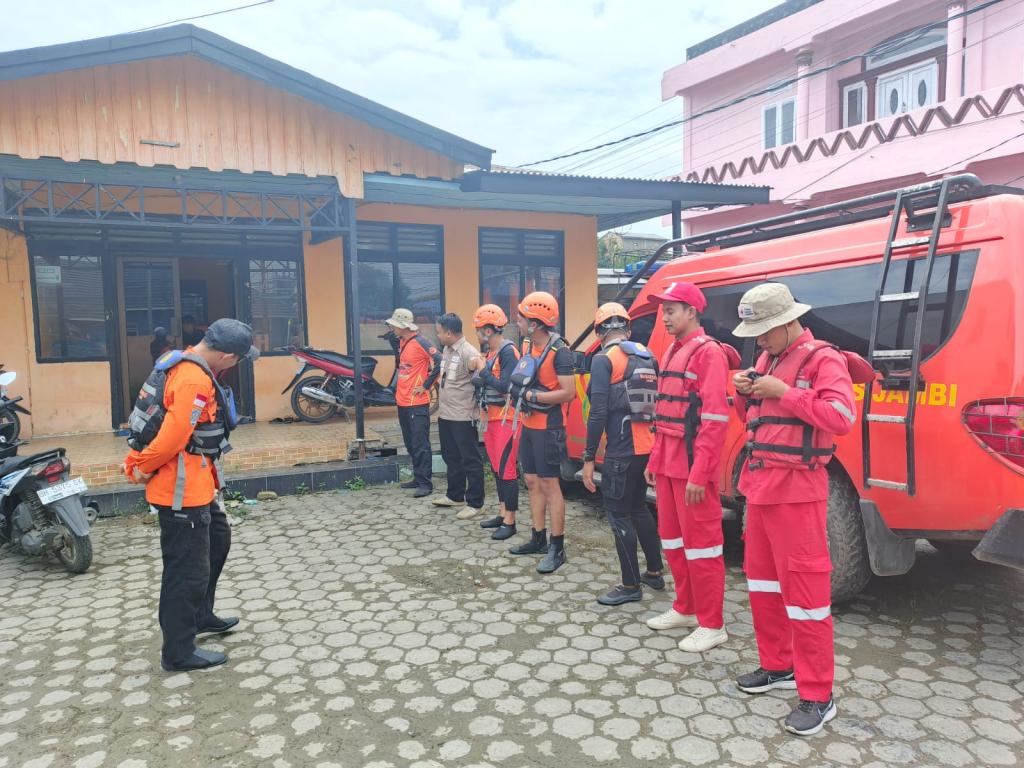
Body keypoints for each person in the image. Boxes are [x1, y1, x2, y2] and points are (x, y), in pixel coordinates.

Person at [730, 283, 857, 737]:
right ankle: (778, 667)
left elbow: (841, 417)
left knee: (806, 599)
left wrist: (785, 392)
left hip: (798, 493)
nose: (758, 342)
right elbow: (758, 415)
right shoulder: (768, 359)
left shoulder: (825, 359)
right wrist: (745, 389)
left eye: (764, 333)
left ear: (788, 323)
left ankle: (818, 695)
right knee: (762, 585)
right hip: (759, 488)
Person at [122, 318, 257, 672]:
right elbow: (173, 436)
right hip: (179, 489)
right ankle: (178, 652)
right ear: (227, 356)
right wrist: (141, 464)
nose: (236, 365)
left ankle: (200, 615)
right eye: (239, 360)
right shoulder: (194, 378)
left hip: (197, 484)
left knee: (218, 538)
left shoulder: (182, 358)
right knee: (186, 571)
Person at [643, 282, 738, 654]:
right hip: (667, 461)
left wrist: (701, 473)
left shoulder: (708, 353)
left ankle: (713, 624)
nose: (665, 316)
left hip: (691, 465)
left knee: (703, 546)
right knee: (672, 539)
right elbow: (663, 414)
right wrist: (654, 458)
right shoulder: (672, 350)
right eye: (663, 310)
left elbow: (715, 419)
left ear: (692, 312)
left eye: (672, 309)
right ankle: (685, 607)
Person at [580, 303, 664, 606]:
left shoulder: (604, 360)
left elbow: (598, 411)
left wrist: (589, 457)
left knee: (619, 514)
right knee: (639, 508)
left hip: (621, 449)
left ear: (599, 332)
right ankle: (654, 571)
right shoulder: (647, 355)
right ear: (627, 328)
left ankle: (630, 585)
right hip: (647, 447)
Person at [507, 291, 575, 574]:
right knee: (532, 481)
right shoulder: (527, 344)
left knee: (550, 485)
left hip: (549, 428)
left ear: (534, 323)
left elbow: (568, 393)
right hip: (529, 424)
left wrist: (534, 397)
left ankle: (557, 547)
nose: (517, 321)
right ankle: (538, 537)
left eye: (521, 317)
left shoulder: (561, 351)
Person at [472, 304, 522, 541]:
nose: (477, 333)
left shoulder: (507, 351)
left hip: (507, 418)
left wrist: (483, 373)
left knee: (507, 470)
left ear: (488, 330)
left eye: (479, 328)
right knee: (496, 469)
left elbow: (508, 387)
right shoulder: (490, 353)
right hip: (491, 418)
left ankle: (510, 521)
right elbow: (485, 381)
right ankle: (502, 513)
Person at [432, 312, 485, 519]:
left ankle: (476, 502)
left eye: (439, 332)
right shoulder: (446, 349)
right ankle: (455, 495)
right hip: (446, 414)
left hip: (463, 416)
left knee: (470, 459)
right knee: (450, 456)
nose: (438, 336)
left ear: (449, 332)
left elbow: (480, 370)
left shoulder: (468, 352)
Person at [387, 308, 442, 498]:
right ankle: (418, 478)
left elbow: (439, 360)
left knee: (420, 444)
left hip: (416, 403)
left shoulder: (421, 342)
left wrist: (427, 385)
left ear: (403, 326)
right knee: (410, 443)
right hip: (402, 402)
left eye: (394, 325)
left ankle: (426, 484)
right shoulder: (402, 341)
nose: (392, 327)